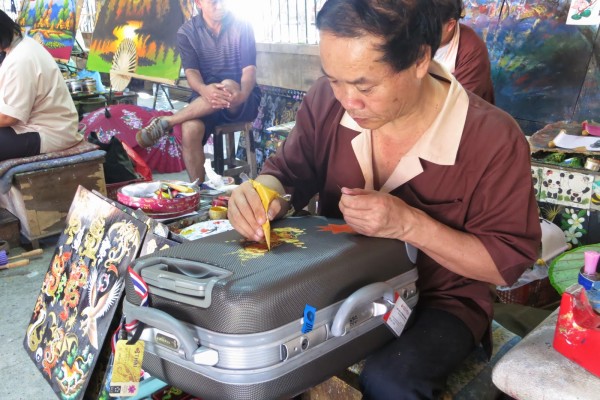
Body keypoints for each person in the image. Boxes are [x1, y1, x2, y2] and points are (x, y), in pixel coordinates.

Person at [227, 0, 540, 398]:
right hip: (334, 287)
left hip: (439, 301)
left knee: (391, 381)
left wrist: (410, 225)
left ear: (419, 60)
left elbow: (503, 265)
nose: (346, 100)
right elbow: (286, 173)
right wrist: (262, 194)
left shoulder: (492, 138)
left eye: (364, 85)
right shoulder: (326, 100)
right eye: (334, 79)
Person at [136, 0, 261, 184]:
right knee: (190, 128)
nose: (221, 6)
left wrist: (242, 96)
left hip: (240, 99)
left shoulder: (242, 26)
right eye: (214, 2)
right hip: (206, 100)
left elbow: (249, 70)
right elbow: (191, 72)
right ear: (199, 2)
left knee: (225, 85)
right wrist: (204, 89)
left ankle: (169, 121)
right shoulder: (187, 32)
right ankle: (199, 191)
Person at [0, 10, 81, 162]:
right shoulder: (21, 45)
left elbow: (9, 118)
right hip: (43, 126)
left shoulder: (20, 59)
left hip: (50, 132)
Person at [434, 0, 495, 104]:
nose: (420, 31)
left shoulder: (473, 51)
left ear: (450, 25)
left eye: (428, 26)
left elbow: (461, 104)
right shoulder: (413, 34)